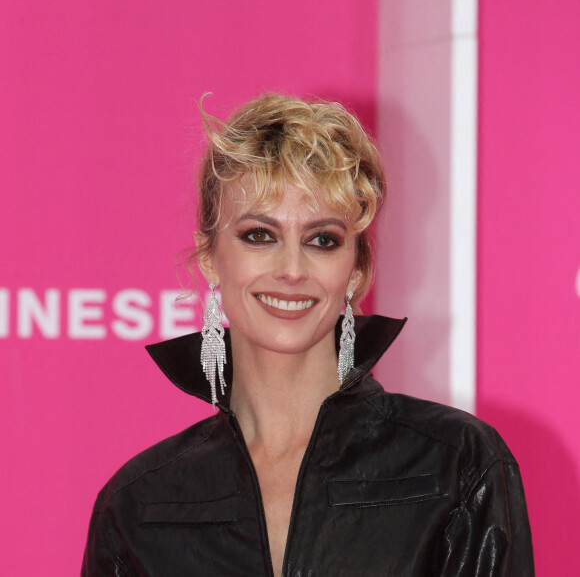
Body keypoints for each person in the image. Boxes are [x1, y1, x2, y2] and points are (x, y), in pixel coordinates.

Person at [82, 94, 534, 576]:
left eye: (322, 240)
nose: (292, 270)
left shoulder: (457, 465)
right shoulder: (137, 505)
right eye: (260, 235)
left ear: (356, 270)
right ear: (210, 257)